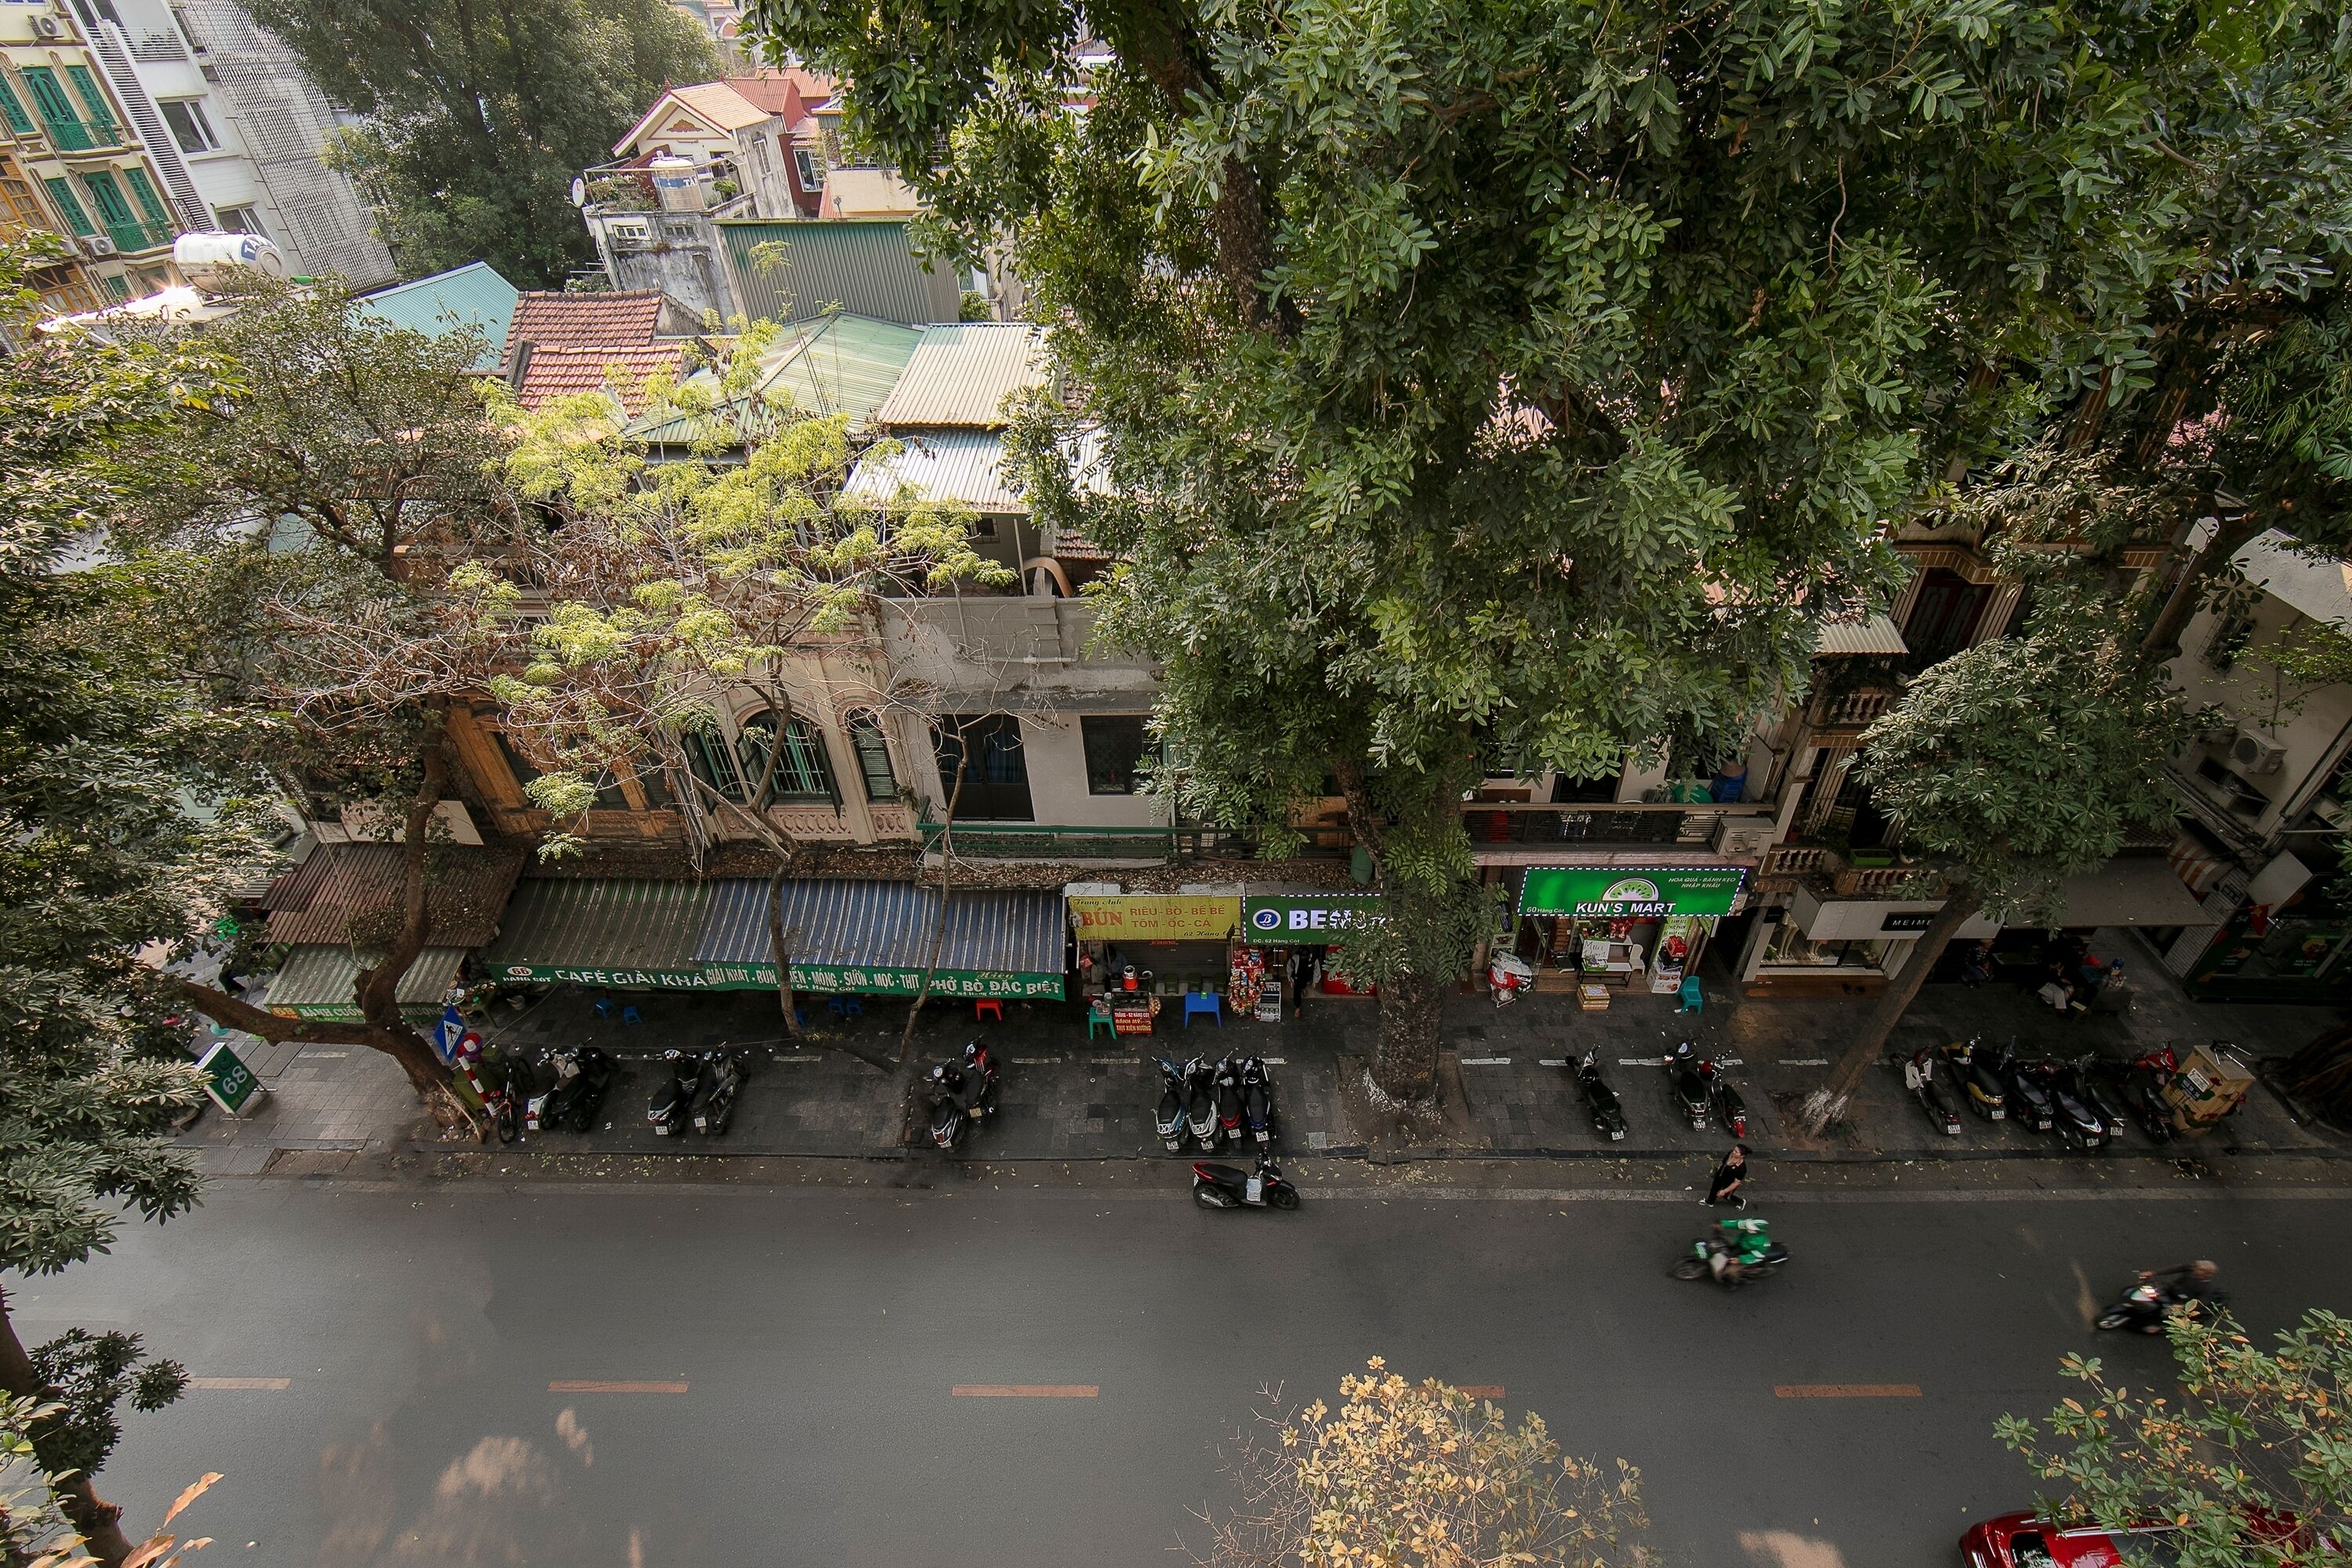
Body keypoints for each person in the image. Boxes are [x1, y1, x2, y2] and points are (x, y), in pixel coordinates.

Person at [1705, 1144, 1750, 1208]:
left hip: (1728, 1183)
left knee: (1726, 1196)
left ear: (1742, 1156)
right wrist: (1720, 1167)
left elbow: (1736, 1183)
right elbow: (1724, 1162)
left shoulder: (1742, 1169)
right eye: (1734, 1150)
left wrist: (1724, 1191)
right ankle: (1710, 1202)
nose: (1733, 1152)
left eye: (1736, 1152)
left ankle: (1741, 1202)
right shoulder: (1731, 1154)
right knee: (1714, 1188)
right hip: (1720, 1175)